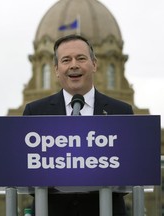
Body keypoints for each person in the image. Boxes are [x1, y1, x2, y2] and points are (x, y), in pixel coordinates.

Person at [23, 34, 133, 216]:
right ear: (56, 69)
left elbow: (129, 177)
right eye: (66, 60)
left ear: (95, 64)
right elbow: (26, 175)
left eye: (81, 58)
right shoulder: (35, 112)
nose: (74, 65)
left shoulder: (121, 111)